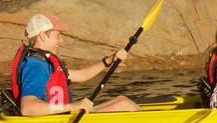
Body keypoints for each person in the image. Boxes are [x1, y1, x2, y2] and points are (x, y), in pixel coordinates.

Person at [10, 13, 140, 116]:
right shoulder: (36, 66)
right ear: (43, 36)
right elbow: (28, 108)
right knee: (125, 106)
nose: (61, 40)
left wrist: (109, 60)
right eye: (58, 35)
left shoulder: (45, 62)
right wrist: (72, 106)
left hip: (60, 119)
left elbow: (81, 75)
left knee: (121, 100)